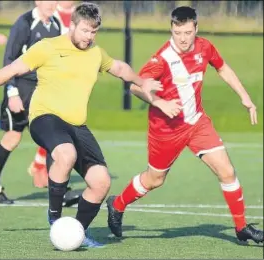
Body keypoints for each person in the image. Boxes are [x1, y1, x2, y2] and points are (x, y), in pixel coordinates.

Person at [0, 2, 162, 248]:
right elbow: (11, 69)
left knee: (101, 181)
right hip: (45, 117)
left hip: (77, 125)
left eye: (94, 32)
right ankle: (54, 218)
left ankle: (76, 232)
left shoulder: (95, 52)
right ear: (72, 25)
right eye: (85, 31)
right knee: (66, 154)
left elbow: (119, 68)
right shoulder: (48, 47)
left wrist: (142, 81)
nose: (89, 37)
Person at [106, 6, 263, 244]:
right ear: (172, 29)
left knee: (227, 171)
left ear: (196, 28)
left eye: (188, 32)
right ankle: (117, 204)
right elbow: (135, 87)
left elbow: (222, 67)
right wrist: (159, 102)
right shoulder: (162, 59)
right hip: (165, 130)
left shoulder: (204, 47)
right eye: (178, 32)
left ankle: (241, 228)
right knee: (155, 180)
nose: (183, 38)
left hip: (197, 123)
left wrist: (244, 97)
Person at [0, 1, 60, 204]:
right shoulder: (24, 23)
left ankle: (58, 190)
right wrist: (12, 93)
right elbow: (9, 59)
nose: (51, 4)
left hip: (43, 91)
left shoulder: (55, 25)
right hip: (20, 89)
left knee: (51, 137)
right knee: (12, 137)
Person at [28, 0, 77, 188]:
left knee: (64, 121)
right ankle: (45, 167)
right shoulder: (50, 14)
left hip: (70, 77)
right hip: (49, 77)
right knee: (51, 121)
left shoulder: (79, 14)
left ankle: (43, 164)